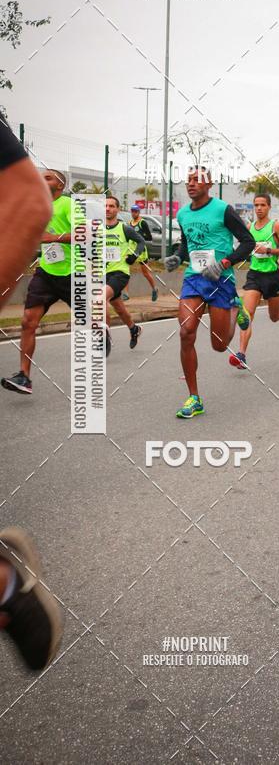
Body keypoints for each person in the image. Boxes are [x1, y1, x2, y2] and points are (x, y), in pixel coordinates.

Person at [0, 115, 64, 671]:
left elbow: (26, 201)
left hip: (83, 275)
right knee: (27, 324)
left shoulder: (83, 210)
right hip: (48, 272)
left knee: (94, 319)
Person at [165, 169, 254, 418]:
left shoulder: (223, 210)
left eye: (197, 180)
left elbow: (248, 242)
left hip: (220, 280)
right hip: (194, 279)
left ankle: (236, 308)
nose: (191, 184)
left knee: (219, 345)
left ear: (210, 183)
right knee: (186, 332)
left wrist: (224, 264)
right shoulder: (182, 213)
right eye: (188, 180)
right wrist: (177, 256)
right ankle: (194, 397)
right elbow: (187, 242)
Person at [2, 167, 73, 395]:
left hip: (73, 274)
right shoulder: (38, 209)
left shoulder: (69, 205)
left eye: (48, 178)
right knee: (27, 322)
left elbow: (86, 234)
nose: (42, 180)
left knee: (89, 322)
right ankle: (24, 377)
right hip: (46, 274)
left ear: (60, 185)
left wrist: (51, 238)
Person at [229, 194, 279, 369]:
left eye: (262, 205)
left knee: (274, 317)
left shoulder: (275, 226)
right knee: (246, 315)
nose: (259, 208)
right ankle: (241, 354)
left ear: (269, 207)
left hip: (272, 276)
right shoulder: (250, 227)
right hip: (254, 275)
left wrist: (269, 250)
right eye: (256, 205)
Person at [102, 196, 146, 356]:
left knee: (100, 300)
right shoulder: (98, 229)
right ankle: (134, 329)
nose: (108, 209)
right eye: (105, 206)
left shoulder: (124, 228)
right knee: (119, 308)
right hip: (103, 273)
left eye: (111, 206)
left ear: (117, 209)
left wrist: (134, 256)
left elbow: (141, 242)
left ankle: (104, 336)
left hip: (120, 272)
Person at [125, 204, 158, 302]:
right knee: (125, 270)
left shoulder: (142, 223)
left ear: (138, 212)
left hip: (141, 251)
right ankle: (126, 293)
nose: (133, 213)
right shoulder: (130, 223)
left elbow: (149, 237)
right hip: (131, 250)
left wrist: (138, 236)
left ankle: (154, 288)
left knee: (145, 273)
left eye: (135, 211)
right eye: (132, 211)